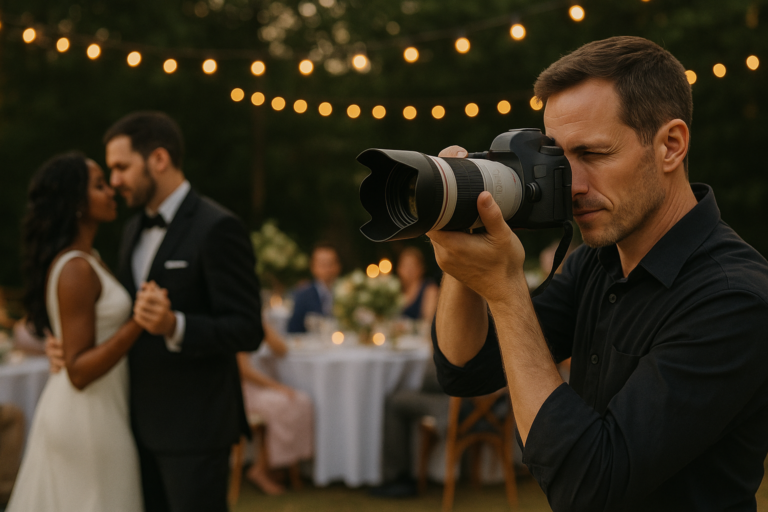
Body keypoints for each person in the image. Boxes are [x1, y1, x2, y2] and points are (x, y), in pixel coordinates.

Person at [429, 36, 768, 511]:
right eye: (559, 158)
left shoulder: (734, 299)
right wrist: (460, 230)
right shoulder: (600, 258)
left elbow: (591, 486)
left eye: (593, 154)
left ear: (671, 146)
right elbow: (466, 369)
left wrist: (506, 293)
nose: (573, 185)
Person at [47, 112, 263, 512]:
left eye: (121, 167)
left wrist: (174, 325)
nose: (114, 181)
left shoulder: (218, 227)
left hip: (195, 430)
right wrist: (62, 342)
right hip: (132, 424)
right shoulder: (131, 231)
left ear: (158, 160)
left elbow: (248, 329)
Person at [8, 152, 160, 511]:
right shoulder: (76, 268)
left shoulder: (89, 259)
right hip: (86, 416)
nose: (111, 192)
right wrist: (139, 321)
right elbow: (78, 371)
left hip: (102, 407)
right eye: (99, 186)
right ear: (76, 202)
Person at [237, 323, 313, 495]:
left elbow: (282, 350)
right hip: (246, 390)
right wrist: (278, 388)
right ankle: (262, 469)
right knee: (284, 405)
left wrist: (262, 325)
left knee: (302, 401)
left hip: (264, 388)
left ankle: (278, 464)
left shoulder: (257, 323)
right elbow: (243, 370)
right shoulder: (237, 326)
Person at [287, 243, 340, 333]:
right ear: (313, 266)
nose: (327, 269)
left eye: (330, 263)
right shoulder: (303, 295)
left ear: (338, 266)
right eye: (323, 264)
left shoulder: (347, 292)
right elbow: (294, 329)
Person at [397, 247, 439, 322]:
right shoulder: (396, 289)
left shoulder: (429, 289)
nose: (409, 270)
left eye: (412, 265)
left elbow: (429, 321)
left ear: (421, 268)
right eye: (405, 265)